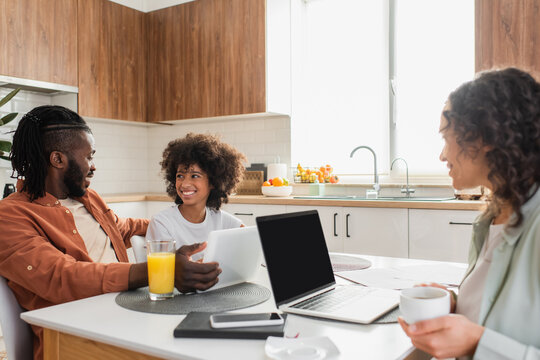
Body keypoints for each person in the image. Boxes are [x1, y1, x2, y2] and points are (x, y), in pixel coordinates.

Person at [0, 106, 221, 360]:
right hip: (75, 339)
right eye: (89, 157)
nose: (93, 167)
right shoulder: (10, 215)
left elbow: (124, 227)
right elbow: (62, 276)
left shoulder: (88, 198)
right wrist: (162, 269)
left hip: (129, 317)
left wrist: (192, 222)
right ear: (58, 160)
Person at [398, 68, 540, 359]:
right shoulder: (491, 219)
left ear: (484, 137)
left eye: (446, 137)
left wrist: (477, 343)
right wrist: (455, 305)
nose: (442, 155)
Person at [146, 133, 247, 259]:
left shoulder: (222, 220)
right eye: (180, 176)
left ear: (213, 182)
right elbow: (165, 271)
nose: (185, 183)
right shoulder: (161, 223)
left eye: (194, 176)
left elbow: (251, 241)